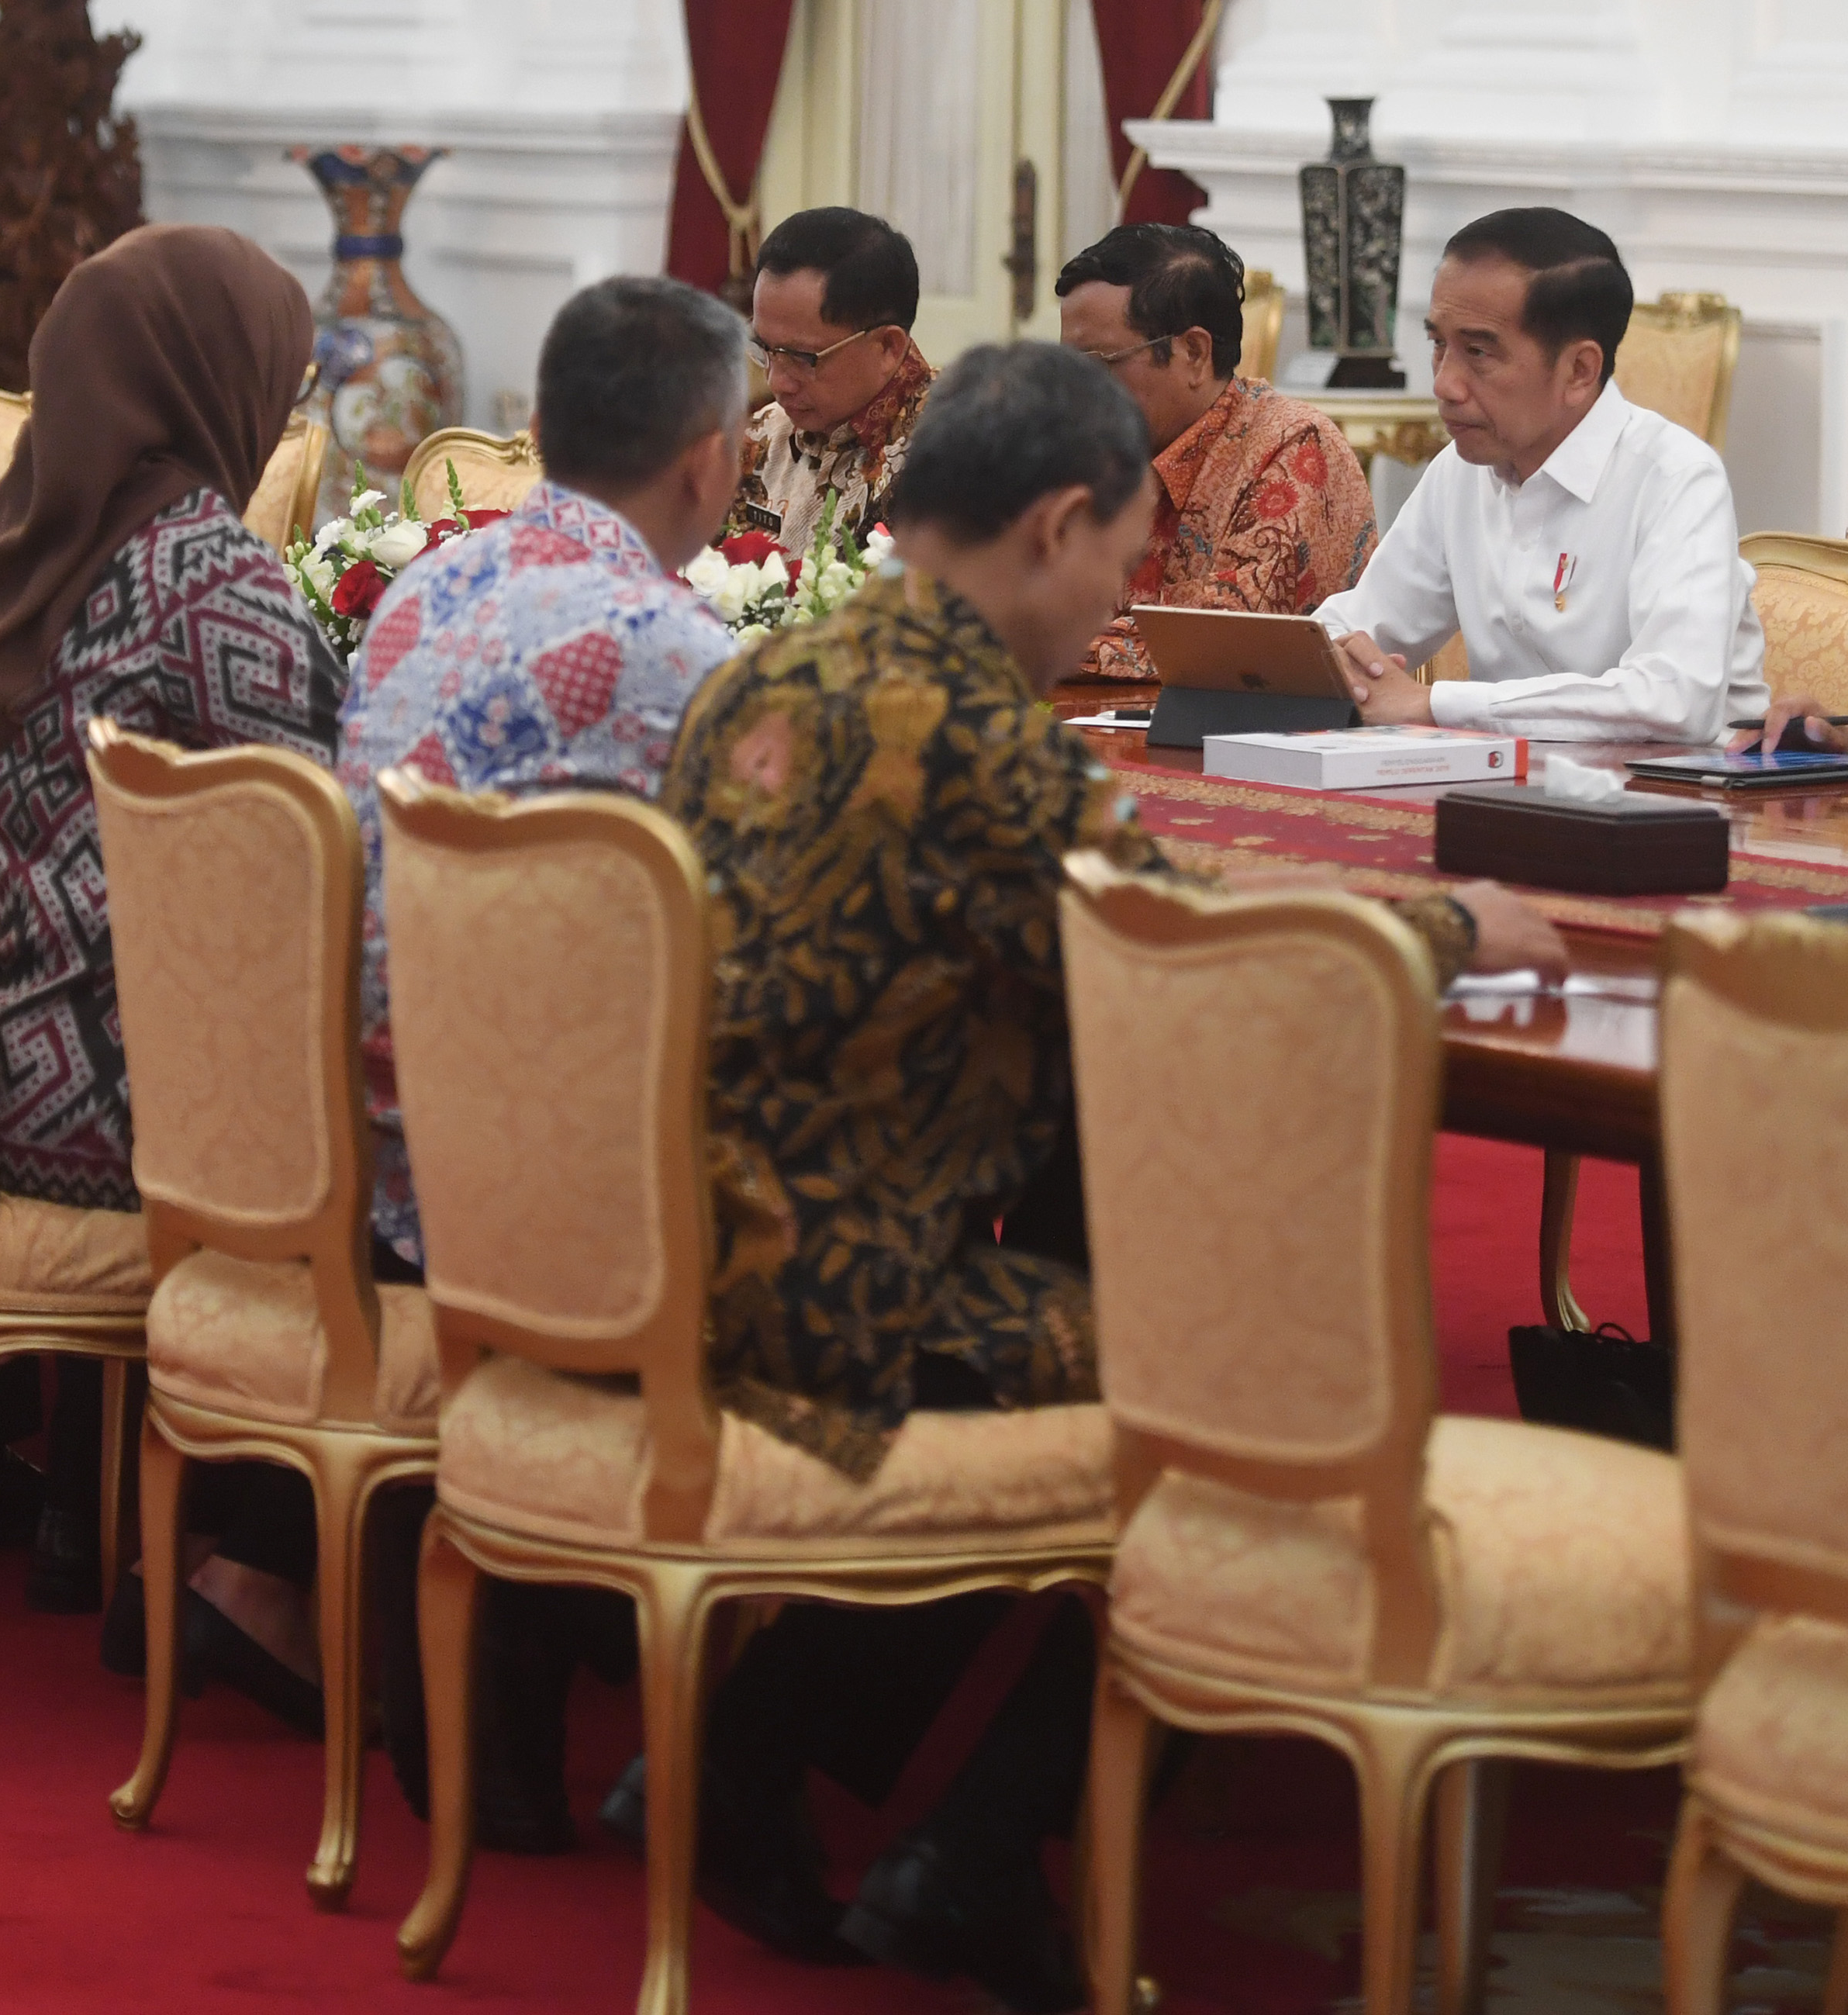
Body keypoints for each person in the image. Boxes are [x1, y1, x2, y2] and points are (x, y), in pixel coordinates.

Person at [660, 342, 1565, 2007]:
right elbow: (1188, 957)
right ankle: (983, 1846)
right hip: (855, 1298)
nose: (1114, 598)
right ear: (1059, 523)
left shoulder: (762, 676)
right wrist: (1448, 926)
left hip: (697, 1249)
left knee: (1105, 1269)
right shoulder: (965, 729)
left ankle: (757, 1736)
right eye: (1119, 555)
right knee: (1267, 1405)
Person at [335, 271, 743, 1849]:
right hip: (558, 1216)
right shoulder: (669, 646)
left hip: (391, 1160)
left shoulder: (415, 591)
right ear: (706, 462)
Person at [0, 223, 342, 1634]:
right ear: (212, 376)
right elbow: (317, 867)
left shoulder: (8, 541)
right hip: (111, 1104)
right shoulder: (220, 583)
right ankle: (246, 1545)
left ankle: (81, 1497)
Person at [1314, 206, 1765, 743]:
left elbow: (1671, 701)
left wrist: (1433, 703)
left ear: (1579, 371)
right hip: (1504, 791)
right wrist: (1328, 661)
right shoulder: (1460, 471)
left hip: (1675, 804)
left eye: (1478, 352)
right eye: (1439, 344)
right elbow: (1358, 626)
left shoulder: (1676, 479)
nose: (1445, 384)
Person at [1052, 222, 1372, 680]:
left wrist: (1027, 644)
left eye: (1098, 364)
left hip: (1270, 741)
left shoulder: (1293, 446)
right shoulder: (1095, 451)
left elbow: (1222, 636)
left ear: (1195, 353)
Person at [731, 206, 931, 557]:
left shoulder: (952, 457)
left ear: (887, 346)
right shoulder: (763, 435)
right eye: (764, 348)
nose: (777, 383)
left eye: (802, 358)